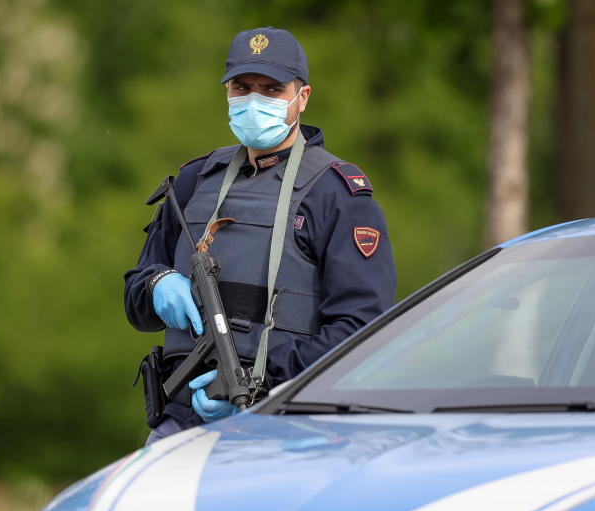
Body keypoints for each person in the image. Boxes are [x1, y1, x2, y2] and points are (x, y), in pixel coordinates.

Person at [124, 27, 396, 444]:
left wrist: (261, 380)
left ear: (301, 97)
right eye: (242, 87)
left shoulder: (335, 194)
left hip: (288, 425)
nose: (255, 101)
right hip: (181, 417)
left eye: (272, 89)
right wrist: (158, 282)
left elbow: (362, 329)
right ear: (227, 93)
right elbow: (136, 299)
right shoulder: (195, 181)